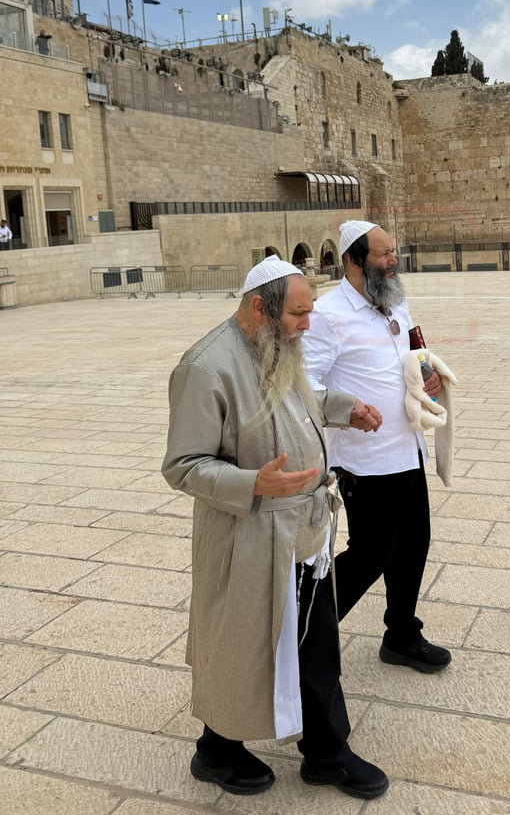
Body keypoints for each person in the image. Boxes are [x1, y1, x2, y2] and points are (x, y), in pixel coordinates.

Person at [162, 257, 389, 800]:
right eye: (298, 313)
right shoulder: (206, 368)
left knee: (315, 644)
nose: (308, 324)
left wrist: (344, 408)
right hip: (247, 538)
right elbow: (183, 466)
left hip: (303, 532)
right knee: (240, 646)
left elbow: (298, 399)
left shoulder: (277, 345)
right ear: (259, 308)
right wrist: (252, 484)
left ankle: (326, 752)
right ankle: (216, 750)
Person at [303, 221, 451, 673]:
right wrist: (345, 410)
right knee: (370, 555)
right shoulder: (327, 316)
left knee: (413, 544)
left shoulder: (394, 302)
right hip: (364, 460)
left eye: (393, 252)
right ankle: (302, 639)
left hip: (407, 446)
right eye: (383, 254)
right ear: (353, 259)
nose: (393, 261)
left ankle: (401, 635)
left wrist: (427, 374)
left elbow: (410, 357)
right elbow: (303, 387)